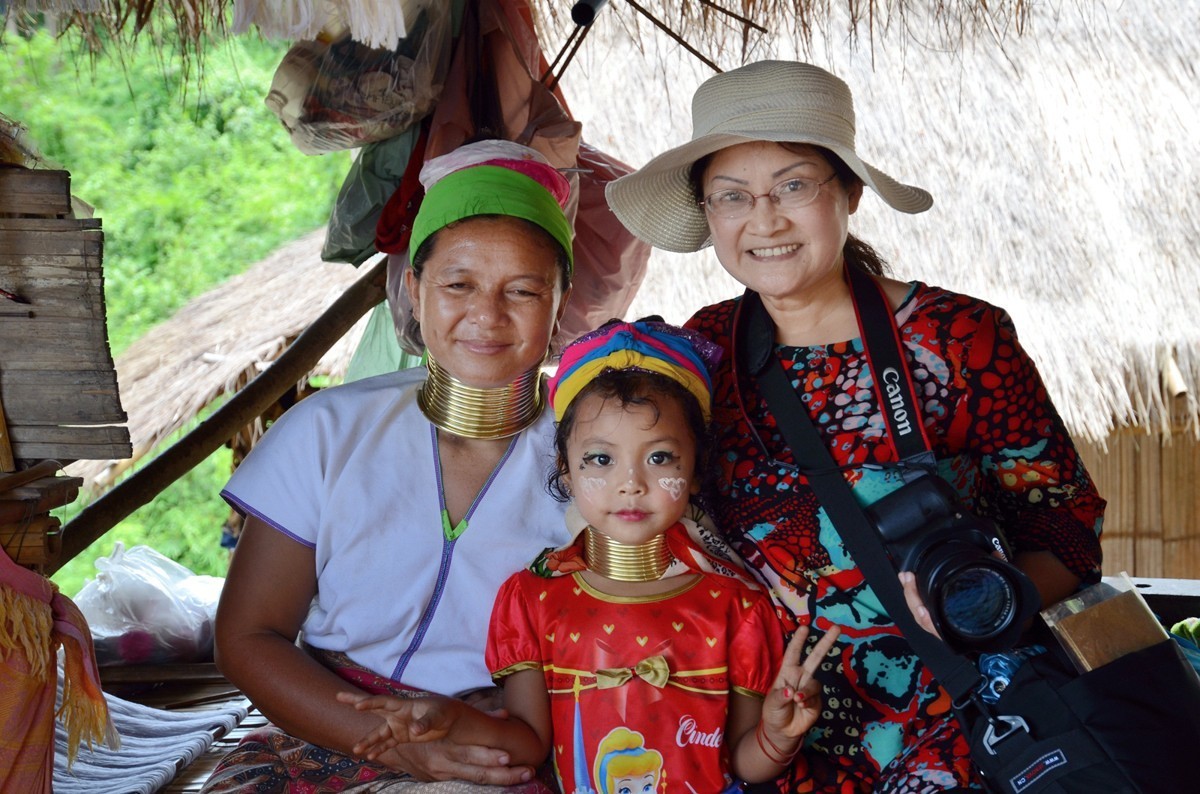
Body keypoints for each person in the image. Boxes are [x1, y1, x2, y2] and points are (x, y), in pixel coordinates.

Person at [605, 61, 1106, 792]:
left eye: (794, 186)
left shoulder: (959, 340)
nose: (765, 219)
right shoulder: (703, 354)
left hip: (966, 724)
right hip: (771, 729)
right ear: (709, 215)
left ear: (850, 193)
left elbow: (1067, 528)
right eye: (733, 196)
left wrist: (975, 607)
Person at [202, 140, 580, 792]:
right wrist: (392, 749)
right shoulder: (328, 432)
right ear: (414, 289)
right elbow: (248, 637)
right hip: (323, 722)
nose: (486, 315)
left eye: (522, 290)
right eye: (457, 285)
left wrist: (452, 745)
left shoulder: (597, 459)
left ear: (559, 301)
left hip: (495, 744)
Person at [338, 319, 843, 792]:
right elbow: (530, 744)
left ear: (694, 469)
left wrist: (779, 734)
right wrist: (450, 720)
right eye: (601, 458)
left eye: (660, 457)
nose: (630, 484)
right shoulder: (532, 600)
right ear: (566, 467)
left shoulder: (736, 608)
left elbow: (742, 764)